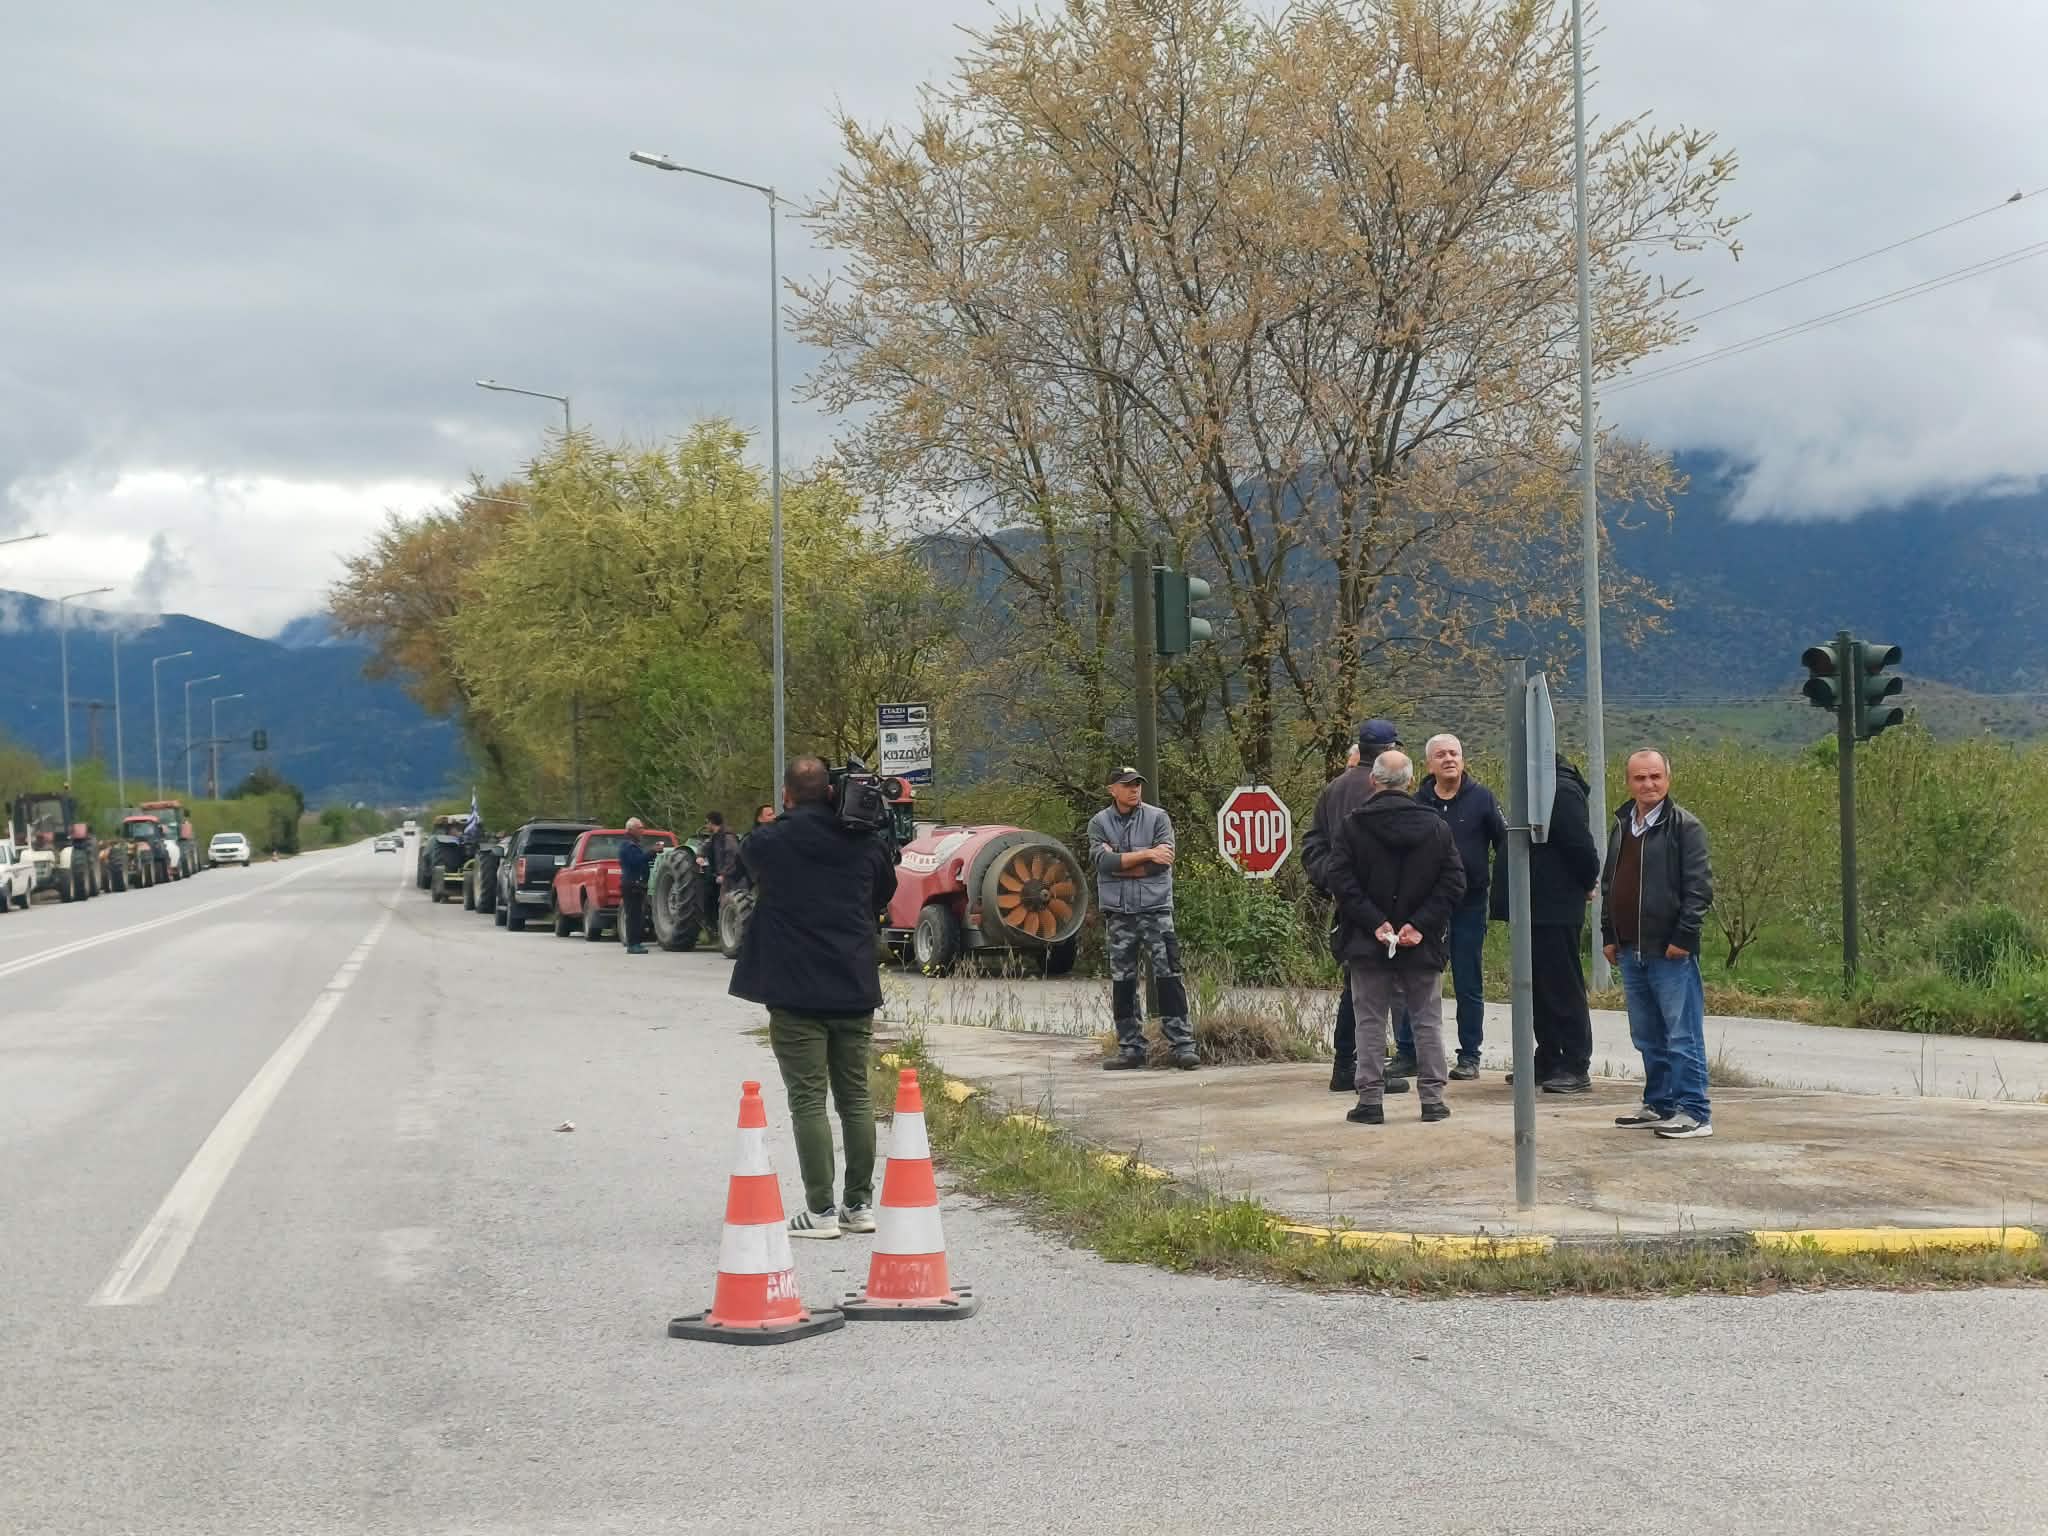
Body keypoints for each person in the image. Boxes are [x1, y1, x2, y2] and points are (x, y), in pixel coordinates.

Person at [730, 756, 899, 1236]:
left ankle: (820, 1211)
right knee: (856, 1097)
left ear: (786, 795)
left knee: (808, 1100)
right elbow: (883, 892)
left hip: (795, 992)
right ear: (831, 790)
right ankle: (859, 1206)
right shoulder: (866, 843)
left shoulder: (770, 841)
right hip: (853, 986)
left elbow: (746, 861)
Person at [1327, 750, 1465, 1124]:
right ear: (1410, 781)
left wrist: (1376, 923)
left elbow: (1341, 880)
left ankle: (1370, 1101)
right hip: (1423, 944)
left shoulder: (1352, 826)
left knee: (1369, 1022)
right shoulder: (1436, 827)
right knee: (1427, 1021)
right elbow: (1454, 882)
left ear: (1373, 780)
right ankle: (1432, 1101)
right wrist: (1419, 925)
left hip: (1367, 942)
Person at [1600, 748, 1715, 1139]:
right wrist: (1609, 935)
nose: (1648, 784)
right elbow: (1610, 884)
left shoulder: (1685, 827)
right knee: (1647, 1034)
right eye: (1640, 778)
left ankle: (1694, 1112)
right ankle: (1660, 1103)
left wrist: (1683, 937)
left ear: (1668, 779)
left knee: (1682, 1034)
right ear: (1628, 782)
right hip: (1630, 948)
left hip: (1669, 951)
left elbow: (1698, 888)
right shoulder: (1621, 826)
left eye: (1655, 777)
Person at [1495, 754, 1603, 1092]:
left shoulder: (1561, 790)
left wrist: (1587, 881)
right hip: (1533, 906)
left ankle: (1575, 1063)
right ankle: (1548, 1058)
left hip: (1555, 906)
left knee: (1561, 986)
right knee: (1538, 988)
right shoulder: (1535, 790)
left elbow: (1580, 846)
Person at [1304, 721, 1398, 1092]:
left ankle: (1346, 1064)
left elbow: (1312, 844)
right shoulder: (1385, 789)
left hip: (1348, 902)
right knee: (1377, 989)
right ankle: (1359, 1068)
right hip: (1384, 903)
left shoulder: (1334, 788)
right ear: (1389, 751)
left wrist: (1333, 880)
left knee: (1356, 983)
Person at [1087, 766, 1195, 1071]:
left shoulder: (1158, 818)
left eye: (1137, 784)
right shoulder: (1099, 823)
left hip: (1155, 909)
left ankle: (1183, 1046)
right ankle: (1131, 1048)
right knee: (1123, 981)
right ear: (1112, 790)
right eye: (1127, 784)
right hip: (1119, 913)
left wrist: (1122, 863)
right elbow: (1103, 862)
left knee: (1169, 975)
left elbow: (1162, 864)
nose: (1134, 789)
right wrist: (1147, 854)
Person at [1414, 734, 1505, 1080]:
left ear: (1463, 760)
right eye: (1441, 755)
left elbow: (1506, 843)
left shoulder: (1482, 798)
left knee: (1468, 981)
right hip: (1426, 907)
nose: (1449, 759)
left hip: (1470, 904)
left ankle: (1469, 1056)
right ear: (1429, 764)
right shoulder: (1417, 803)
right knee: (1418, 980)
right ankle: (1411, 1052)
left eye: (1454, 753)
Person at [616, 817, 654, 955]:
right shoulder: (628, 846)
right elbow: (635, 861)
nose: (642, 831)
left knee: (637, 915)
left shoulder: (633, 844)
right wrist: (651, 852)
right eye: (640, 828)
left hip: (636, 884)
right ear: (631, 830)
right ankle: (633, 944)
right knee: (633, 915)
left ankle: (636, 942)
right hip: (631, 884)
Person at [700, 810, 741, 906]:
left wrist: (724, 875)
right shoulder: (715, 837)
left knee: (726, 904)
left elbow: (732, 858)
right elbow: (706, 847)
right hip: (721, 877)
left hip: (730, 879)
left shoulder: (727, 837)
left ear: (711, 822)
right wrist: (700, 855)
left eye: (706, 822)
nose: (706, 826)